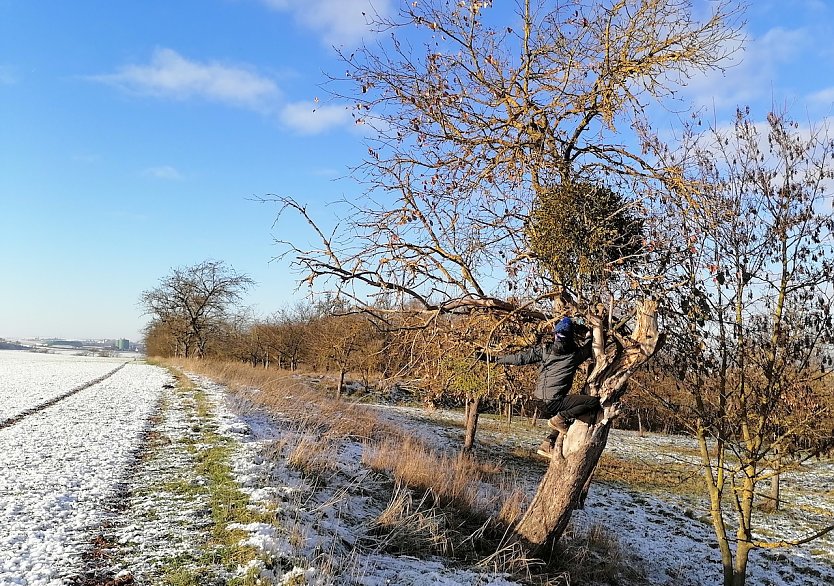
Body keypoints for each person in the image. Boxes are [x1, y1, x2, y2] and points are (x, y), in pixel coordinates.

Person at [476, 317, 599, 458]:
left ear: (555, 335)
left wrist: (492, 359)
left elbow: (519, 359)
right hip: (554, 402)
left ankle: (547, 443)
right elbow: (589, 348)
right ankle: (559, 420)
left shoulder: (545, 351)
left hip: (539, 400)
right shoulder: (574, 356)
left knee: (569, 413)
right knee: (592, 403)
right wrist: (589, 336)